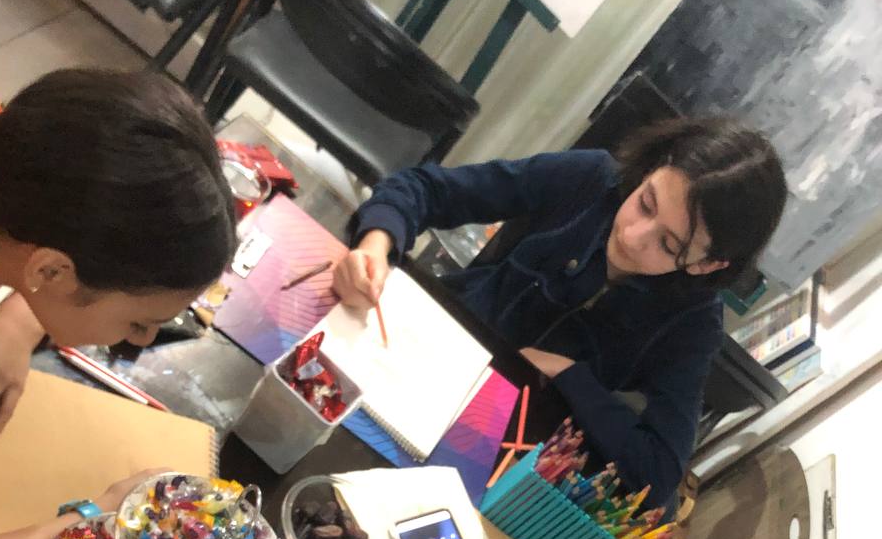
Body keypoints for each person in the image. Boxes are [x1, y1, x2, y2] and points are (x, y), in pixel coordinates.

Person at [0, 59, 236, 539]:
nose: (141, 340)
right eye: (138, 323)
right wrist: (90, 522)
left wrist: (20, 316)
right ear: (52, 270)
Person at [333, 119, 788, 511]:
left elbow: (659, 472)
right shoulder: (590, 178)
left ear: (707, 265)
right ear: (651, 169)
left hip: (489, 447)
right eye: (645, 202)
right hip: (420, 353)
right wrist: (377, 243)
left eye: (668, 245)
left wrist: (569, 375)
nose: (633, 236)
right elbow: (427, 189)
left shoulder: (693, 325)